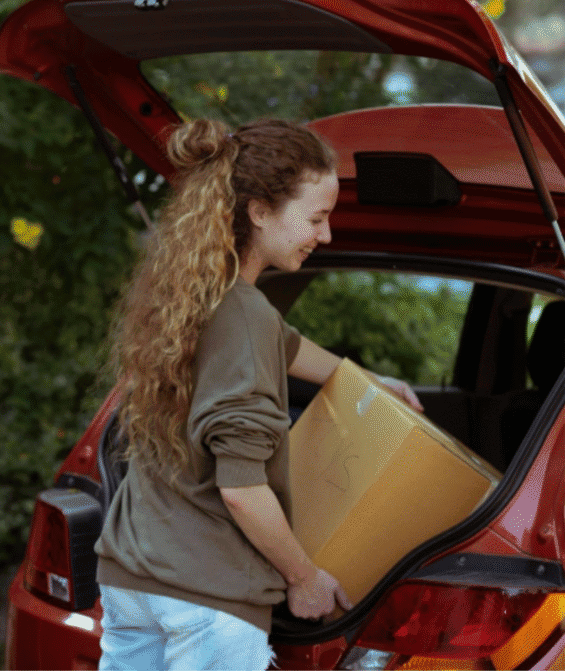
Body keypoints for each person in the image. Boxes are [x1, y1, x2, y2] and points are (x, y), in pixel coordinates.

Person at [93, 117, 423, 670]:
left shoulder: (196, 294)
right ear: (260, 211)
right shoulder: (243, 319)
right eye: (316, 219)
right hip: (208, 603)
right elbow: (243, 489)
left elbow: (285, 346)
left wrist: (364, 381)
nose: (326, 235)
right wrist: (304, 577)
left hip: (135, 581)